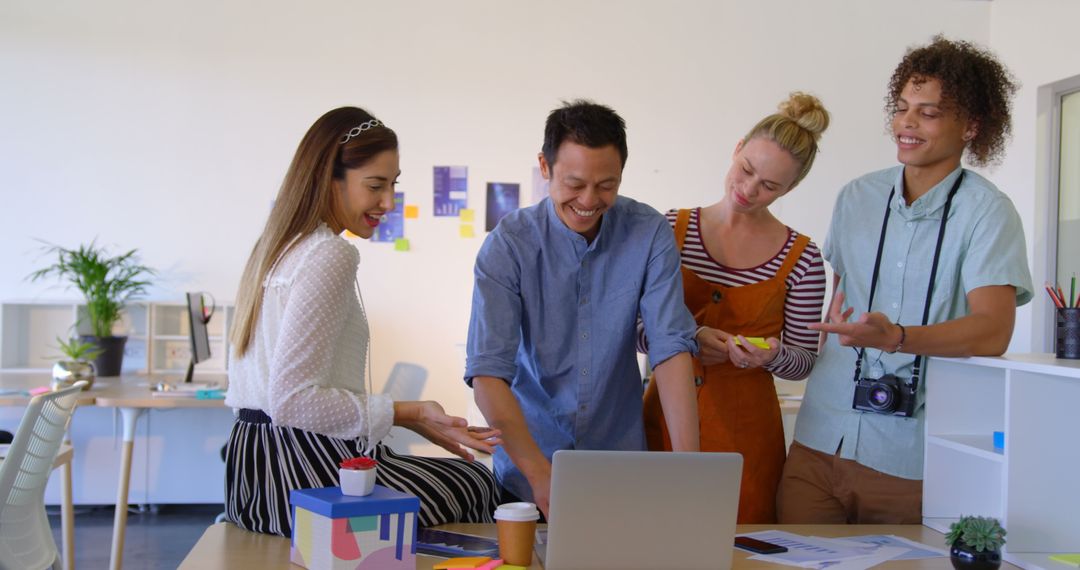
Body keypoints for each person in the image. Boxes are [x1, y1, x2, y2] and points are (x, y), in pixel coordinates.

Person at [776, 36, 1033, 524]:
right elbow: (840, 305)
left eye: (928, 113)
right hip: (817, 440)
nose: (906, 123)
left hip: (910, 459)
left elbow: (993, 330)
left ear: (971, 127)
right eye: (901, 108)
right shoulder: (855, 197)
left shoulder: (988, 213)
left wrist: (897, 338)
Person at [224, 107, 502, 537]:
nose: (388, 203)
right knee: (479, 484)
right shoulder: (328, 255)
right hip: (301, 471)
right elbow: (293, 402)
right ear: (327, 178)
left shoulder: (277, 249)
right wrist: (407, 410)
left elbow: (279, 400)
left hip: (252, 474)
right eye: (375, 186)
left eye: (393, 185)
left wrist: (416, 420)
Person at [466, 100, 701, 518]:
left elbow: (671, 348)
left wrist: (691, 468)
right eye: (574, 183)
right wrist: (540, 475)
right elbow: (488, 373)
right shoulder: (509, 245)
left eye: (606, 185)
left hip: (620, 464)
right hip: (528, 467)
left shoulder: (648, 233)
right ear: (545, 166)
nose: (589, 200)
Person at [640, 92, 829, 523]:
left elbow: (802, 362)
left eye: (770, 186)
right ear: (737, 148)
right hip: (664, 417)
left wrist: (772, 355)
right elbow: (631, 325)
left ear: (792, 188)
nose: (748, 190)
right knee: (653, 537)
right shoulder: (670, 230)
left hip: (748, 436)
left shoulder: (802, 258)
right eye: (747, 170)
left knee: (739, 547)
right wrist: (685, 339)